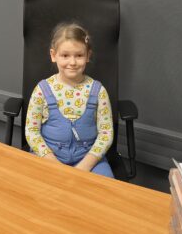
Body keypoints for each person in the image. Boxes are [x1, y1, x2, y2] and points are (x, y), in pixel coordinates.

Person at [25, 22, 115, 178]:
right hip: (48, 157)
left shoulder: (98, 91)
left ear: (88, 56)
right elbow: (32, 132)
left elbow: (106, 134)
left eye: (79, 55)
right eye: (65, 55)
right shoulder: (42, 90)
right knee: (32, 185)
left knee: (106, 188)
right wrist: (53, 163)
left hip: (88, 159)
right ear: (53, 55)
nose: (72, 62)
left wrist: (85, 166)